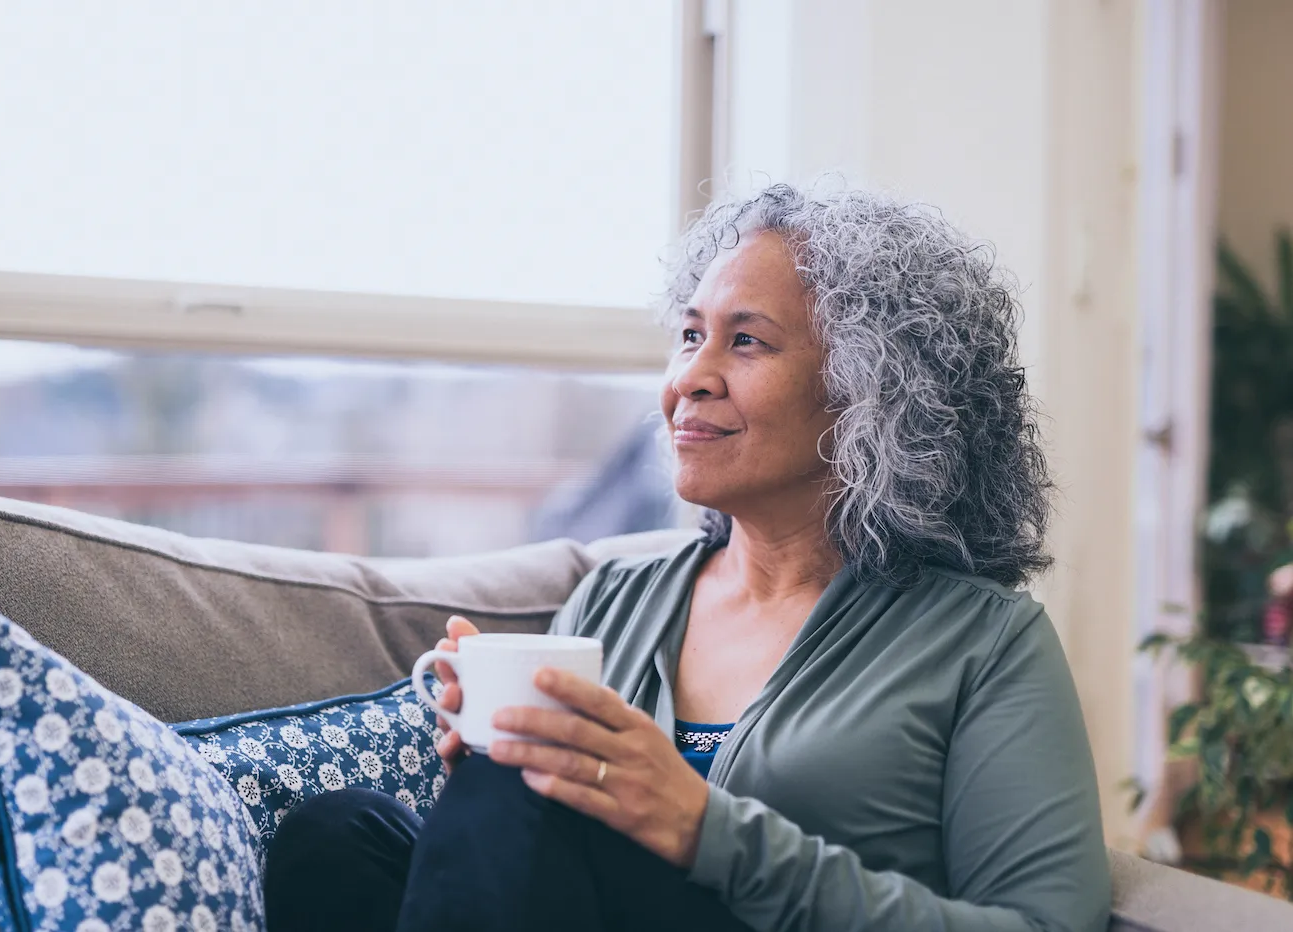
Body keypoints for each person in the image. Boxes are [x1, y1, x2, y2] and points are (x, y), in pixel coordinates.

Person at [264, 184, 1112, 932]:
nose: (690, 379)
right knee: (339, 836)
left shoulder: (985, 644)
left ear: (872, 394)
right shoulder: (615, 598)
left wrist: (707, 832)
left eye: (747, 343)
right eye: (690, 335)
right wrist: (487, 769)